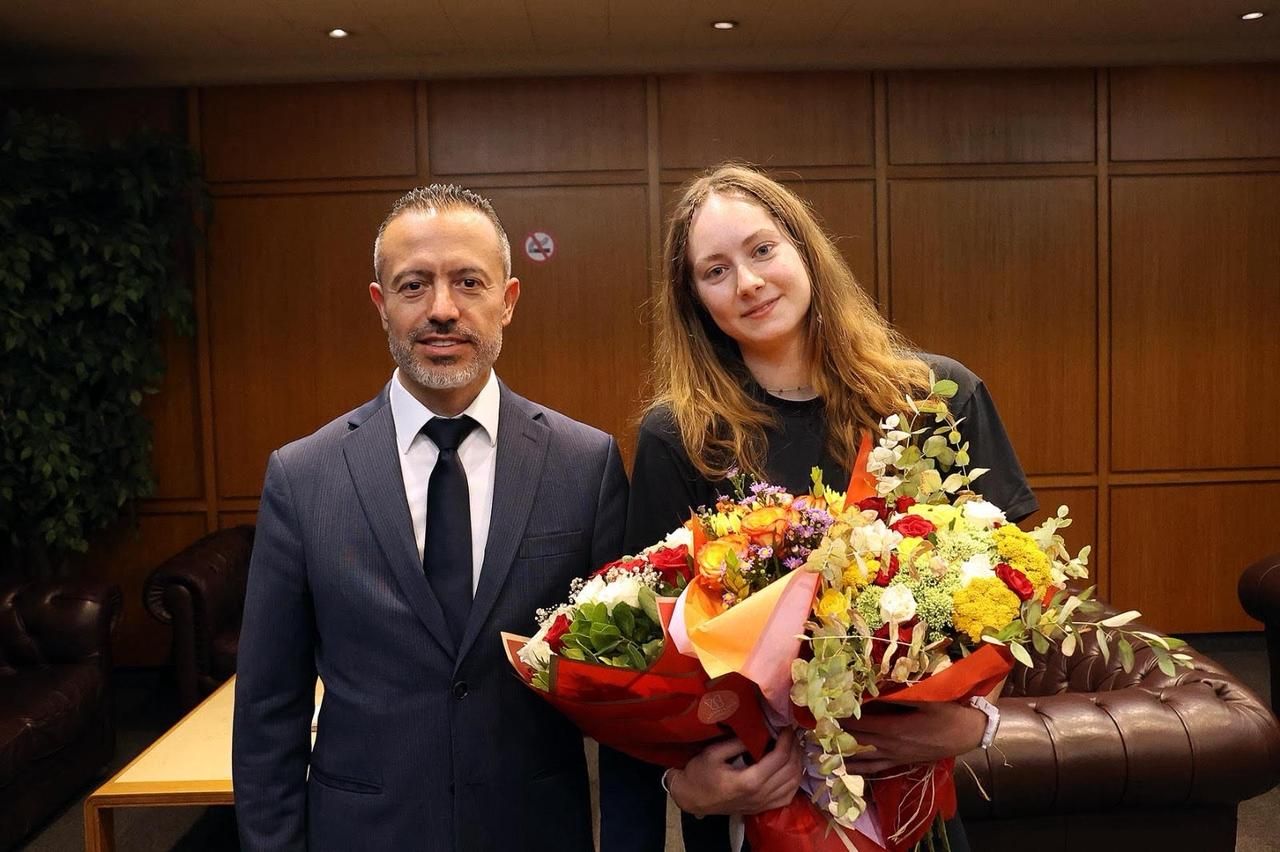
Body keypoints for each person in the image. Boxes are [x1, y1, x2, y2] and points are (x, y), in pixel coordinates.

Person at [600, 164, 1037, 852]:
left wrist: (976, 722)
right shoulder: (678, 435)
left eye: (763, 249)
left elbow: (1014, 598)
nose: (747, 282)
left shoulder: (935, 398)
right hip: (757, 799)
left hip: (906, 786)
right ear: (695, 301)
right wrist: (685, 784)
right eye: (715, 271)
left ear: (805, 250)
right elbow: (651, 648)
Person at [232, 185, 627, 852]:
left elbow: (624, 698)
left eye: (468, 281)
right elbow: (270, 708)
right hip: (364, 834)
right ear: (380, 305)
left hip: (534, 831)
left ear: (508, 300)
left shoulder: (584, 466)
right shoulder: (303, 478)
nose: (442, 310)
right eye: (414, 285)